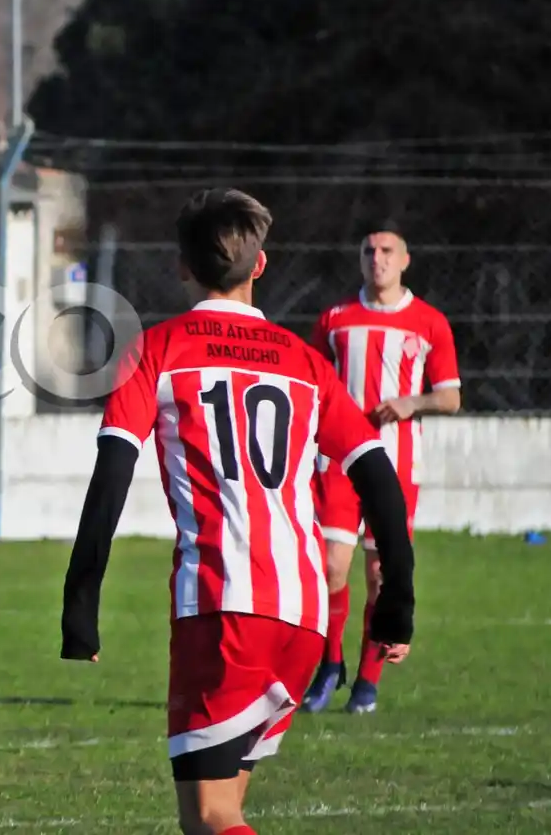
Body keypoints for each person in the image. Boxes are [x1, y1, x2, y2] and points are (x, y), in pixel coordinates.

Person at [59, 188, 417, 835]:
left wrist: (81, 597)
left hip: (225, 608)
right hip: (303, 615)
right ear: (260, 265)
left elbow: (112, 473)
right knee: (227, 810)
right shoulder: (306, 361)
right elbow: (378, 478)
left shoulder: (159, 349)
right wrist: (398, 599)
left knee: (210, 816)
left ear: (182, 267)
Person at [300, 222, 460, 715]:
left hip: (397, 463)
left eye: (388, 250)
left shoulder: (430, 322)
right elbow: (310, 384)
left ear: (405, 260)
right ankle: (330, 664)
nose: (378, 258)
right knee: (330, 567)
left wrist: (413, 402)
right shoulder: (335, 319)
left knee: (379, 574)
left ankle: (367, 684)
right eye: (369, 250)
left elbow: (451, 398)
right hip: (340, 463)